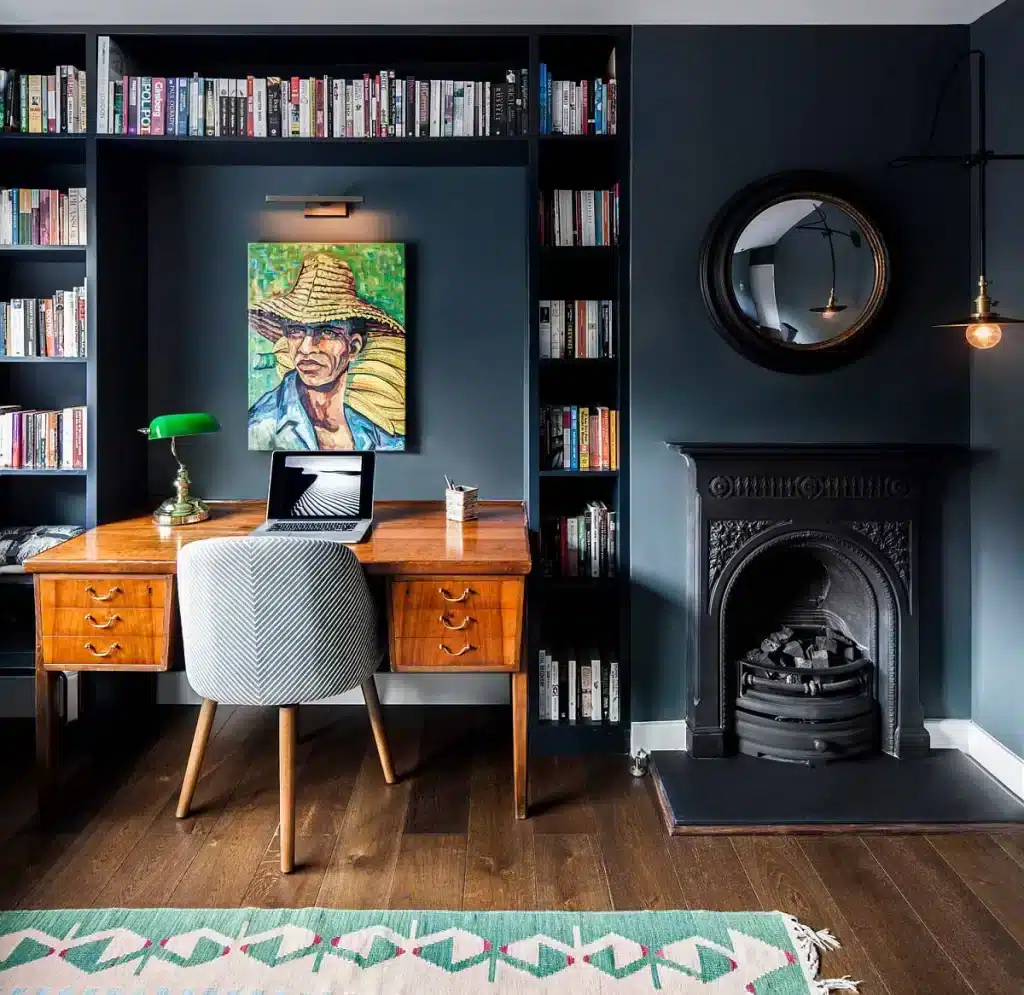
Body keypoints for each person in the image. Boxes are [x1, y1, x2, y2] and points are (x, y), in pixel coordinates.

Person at [248, 251, 406, 451]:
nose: (305, 349)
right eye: (295, 331)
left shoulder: (378, 432)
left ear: (354, 347)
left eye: (326, 332)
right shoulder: (260, 426)